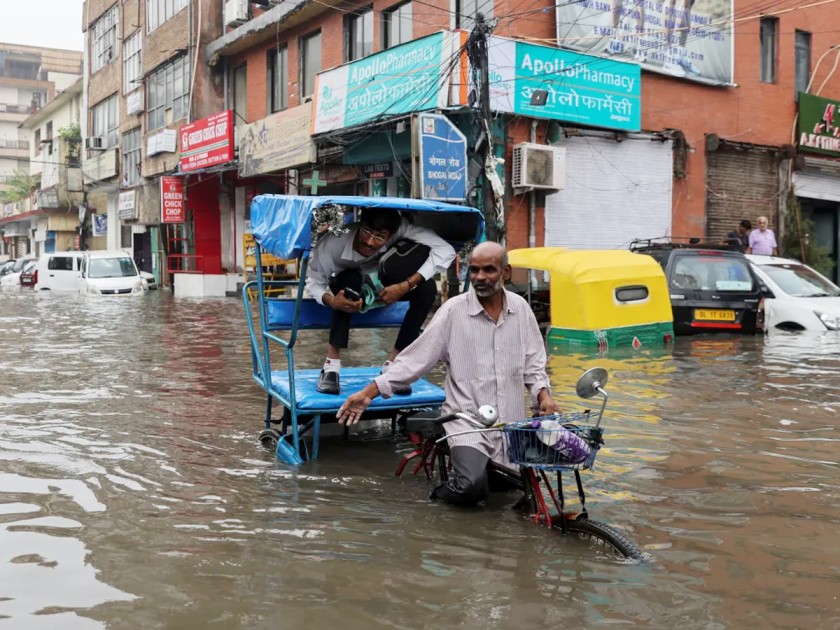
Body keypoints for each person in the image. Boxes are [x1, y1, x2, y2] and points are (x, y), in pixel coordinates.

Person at [337, 242, 557, 507]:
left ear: (506, 272)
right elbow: (414, 361)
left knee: (518, 493)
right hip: (467, 421)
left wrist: (544, 397)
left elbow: (534, 364)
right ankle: (437, 499)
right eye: (474, 270)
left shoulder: (521, 309)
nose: (480, 277)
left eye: (489, 270)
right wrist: (368, 393)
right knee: (471, 486)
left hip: (510, 424)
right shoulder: (453, 311)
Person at [306, 207, 455, 395]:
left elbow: (446, 250)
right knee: (349, 282)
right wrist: (332, 301)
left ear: (391, 235)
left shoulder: (401, 229)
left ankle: (393, 365)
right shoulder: (332, 245)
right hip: (349, 288)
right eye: (367, 232)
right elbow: (313, 283)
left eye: (379, 237)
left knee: (427, 289)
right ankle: (331, 366)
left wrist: (405, 286)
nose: (369, 242)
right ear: (360, 225)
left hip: (382, 283)